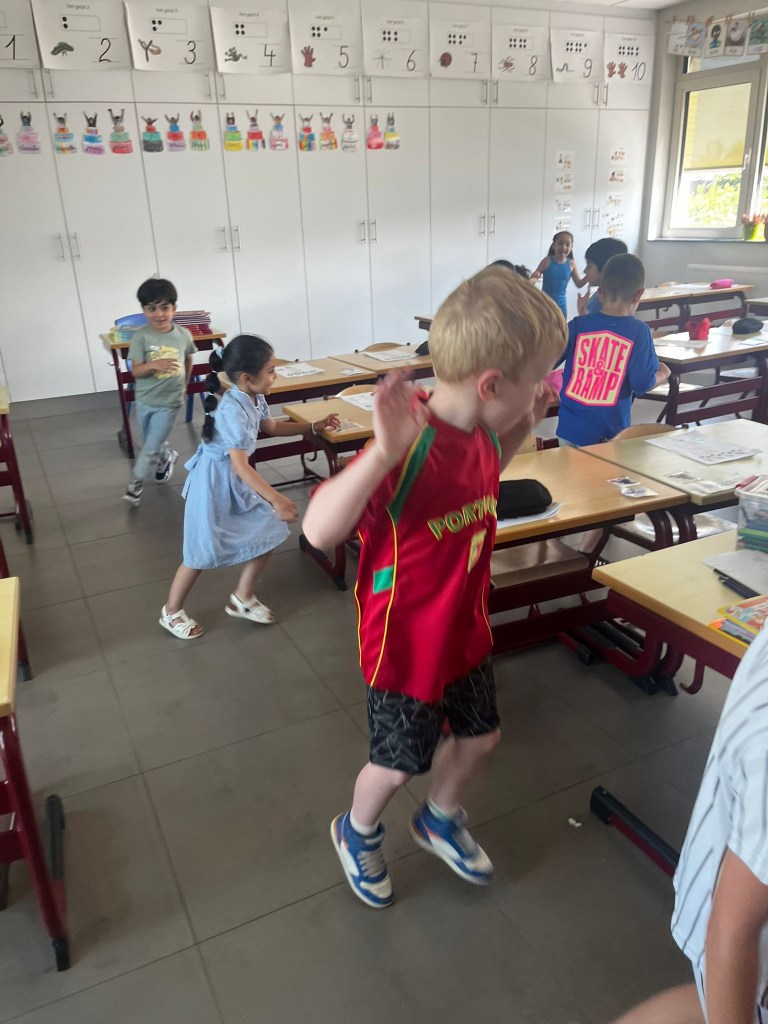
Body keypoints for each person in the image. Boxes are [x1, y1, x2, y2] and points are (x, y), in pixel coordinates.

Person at [302, 267, 565, 908]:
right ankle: (357, 830)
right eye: (537, 378)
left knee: (482, 738)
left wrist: (523, 425)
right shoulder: (410, 442)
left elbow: (480, 482)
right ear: (491, 384)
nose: (544, 388)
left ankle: (438, 818)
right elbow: (318, 531)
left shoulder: (480, 434)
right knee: (396, 765)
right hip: (405, 647)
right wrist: (381, 454)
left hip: (462, 631)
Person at [611, 621, 768, 1024]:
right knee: (723, 993)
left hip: (731, 889)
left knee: (708, 998)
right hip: (742, 926)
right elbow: (731, 933)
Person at [159, 335, 339, 640]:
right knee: (199, 552)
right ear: (247, 377)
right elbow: (241, 466)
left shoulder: (252, 396)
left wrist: (313, 426)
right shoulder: (233, 409)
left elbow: (271, 426)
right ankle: (171, 611)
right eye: (271, 370)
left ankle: (241, 597)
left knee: (269, 527)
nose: (275, 376)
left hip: (231, 479)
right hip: (213, 483)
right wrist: (277, 499)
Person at [556, 253, 670, 447]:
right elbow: (642, 383)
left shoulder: (578, 325)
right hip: (608, 433)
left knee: (567, 467)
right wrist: (663, 373)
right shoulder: (639, 332)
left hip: (569, 429)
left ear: (600, 294)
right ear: (639, 295)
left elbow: (549, 359)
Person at [123, 278, 197, 506]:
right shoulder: (141, 337)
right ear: (144, 310)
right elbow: (136, 371)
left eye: (165, 307)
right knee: (151, 441)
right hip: (145, 400)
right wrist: (154, 365)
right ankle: (167, 456)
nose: (159, 314)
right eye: (152, 308)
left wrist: (185, 385)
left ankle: (136, 482)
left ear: (174, 308)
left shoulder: (183, 335)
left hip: (170, 401)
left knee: (149, 447)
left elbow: (188, 358)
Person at [530, 231, 587, 319]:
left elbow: (579, 284)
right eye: (560, 244)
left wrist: (590, 275)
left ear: (571, 247)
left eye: (567, 244)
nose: (564, 247)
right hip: (544, 303)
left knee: (560, 327)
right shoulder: (547, 260)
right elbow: (534, 276)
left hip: (561, 305)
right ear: (554, 246)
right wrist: (535, 275)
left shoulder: (571, 263)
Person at [577, 237, 628, 316]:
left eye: (589, 266)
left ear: (605, 270)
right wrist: (582, 311)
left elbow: (592, 323)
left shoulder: (603, 304)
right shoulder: (605, 295)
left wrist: (581, 312)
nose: (584, 271)